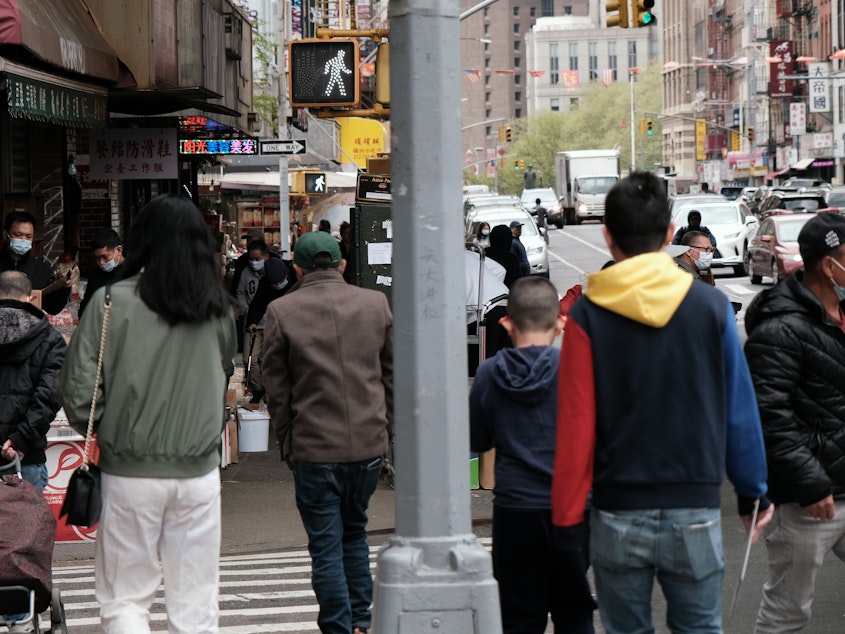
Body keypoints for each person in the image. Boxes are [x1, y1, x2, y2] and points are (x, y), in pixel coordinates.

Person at [552, 170, 773, 634]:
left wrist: (568, 518)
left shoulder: (588, 315)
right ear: (670, 235)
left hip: (616, 511)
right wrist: (752, 490)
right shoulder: (709, 308)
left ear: (607, 236)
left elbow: (575, 423)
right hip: (693, 505)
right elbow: (738, 408)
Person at [59, 194, 237, 633]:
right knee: (195, 602)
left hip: (129, 471)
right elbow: (222, 374)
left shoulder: (109, 302)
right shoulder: (217, 309)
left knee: (124, 599)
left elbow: (80, 393)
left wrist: (110, 429)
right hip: (199, 473)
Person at [261, 231, 392, 634]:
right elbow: (391, 376)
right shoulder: (375, 303)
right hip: (368, 445)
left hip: (314, 448)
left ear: (297, 268)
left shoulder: (282, 311)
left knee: (326, 545)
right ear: (342, 265)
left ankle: (338, 625)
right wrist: (387, 432)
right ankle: (361, 623)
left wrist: (287, 442)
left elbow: (277, 389)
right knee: (354, 533)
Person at [470, 276, 595, 633]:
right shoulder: (579, 370)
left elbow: (480, 437)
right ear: (560, 323)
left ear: (506, 322)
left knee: (519, 617)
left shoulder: (489, 373)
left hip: (515, 509)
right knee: (574, 611)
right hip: (572, 511)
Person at [744, 212, 845, 633]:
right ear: (829, 264)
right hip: (809, 498)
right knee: (787, 612)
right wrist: (810, 483)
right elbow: (769, 415)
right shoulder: (779, 328)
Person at [0, 211, 75, 315]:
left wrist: (63, 287)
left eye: (28, 236)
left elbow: (53, 309)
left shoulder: (42, 270)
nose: (23, 240)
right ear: (5, 234)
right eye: (18, 234)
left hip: (29, 328)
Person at [466, 249, 510, 376]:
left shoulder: (442, 263)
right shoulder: (470, 254)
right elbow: (500, 270)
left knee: (477, 363)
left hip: (483, 310)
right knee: (500, 360)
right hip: (503, 302)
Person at [237, 241, 270, 399]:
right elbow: (241, 293)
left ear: (266, 257)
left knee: (269, 360)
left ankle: (270, 391)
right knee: (248, 358)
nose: (254, 262)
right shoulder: (246, 273)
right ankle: (257, 389)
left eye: (258, 259)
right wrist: (246, 309)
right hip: (252, 323)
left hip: (271, 323)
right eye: (252, 259)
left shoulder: (272, 273)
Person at [78, 228, 125, 319]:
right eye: (97, 258)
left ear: (119, 250)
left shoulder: (133, 273)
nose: (101, 262)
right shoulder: (95, 275)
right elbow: (84, 310)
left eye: (105, 257)